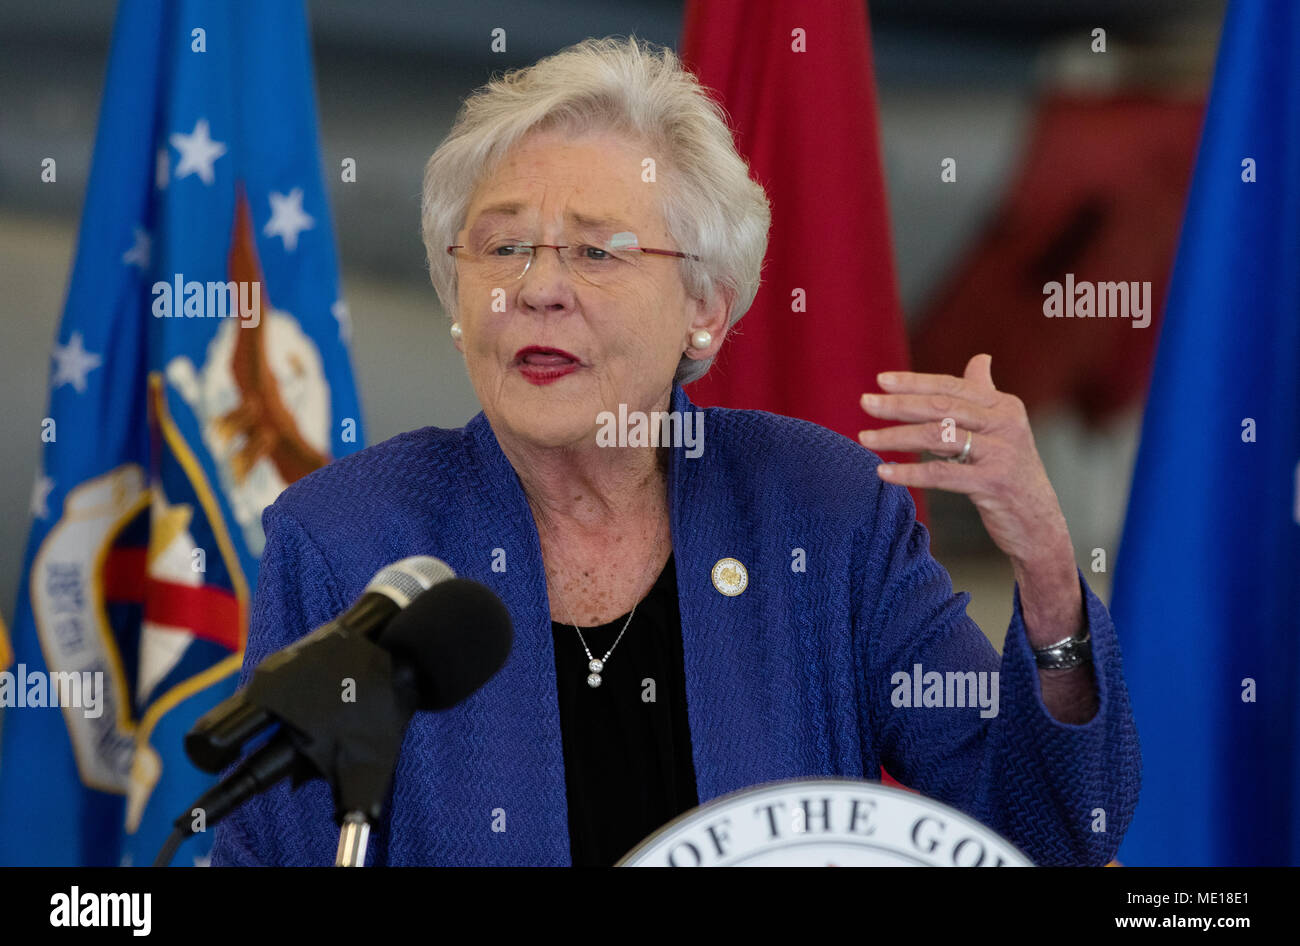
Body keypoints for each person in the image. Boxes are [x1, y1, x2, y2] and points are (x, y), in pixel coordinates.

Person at [211, 36, 1139, 867]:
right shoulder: (347, 537)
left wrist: (1049, 572)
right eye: (501, 248)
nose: (538, 289)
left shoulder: (821, 512)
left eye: (599, 252)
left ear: (706, 308)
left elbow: (1051, 833)